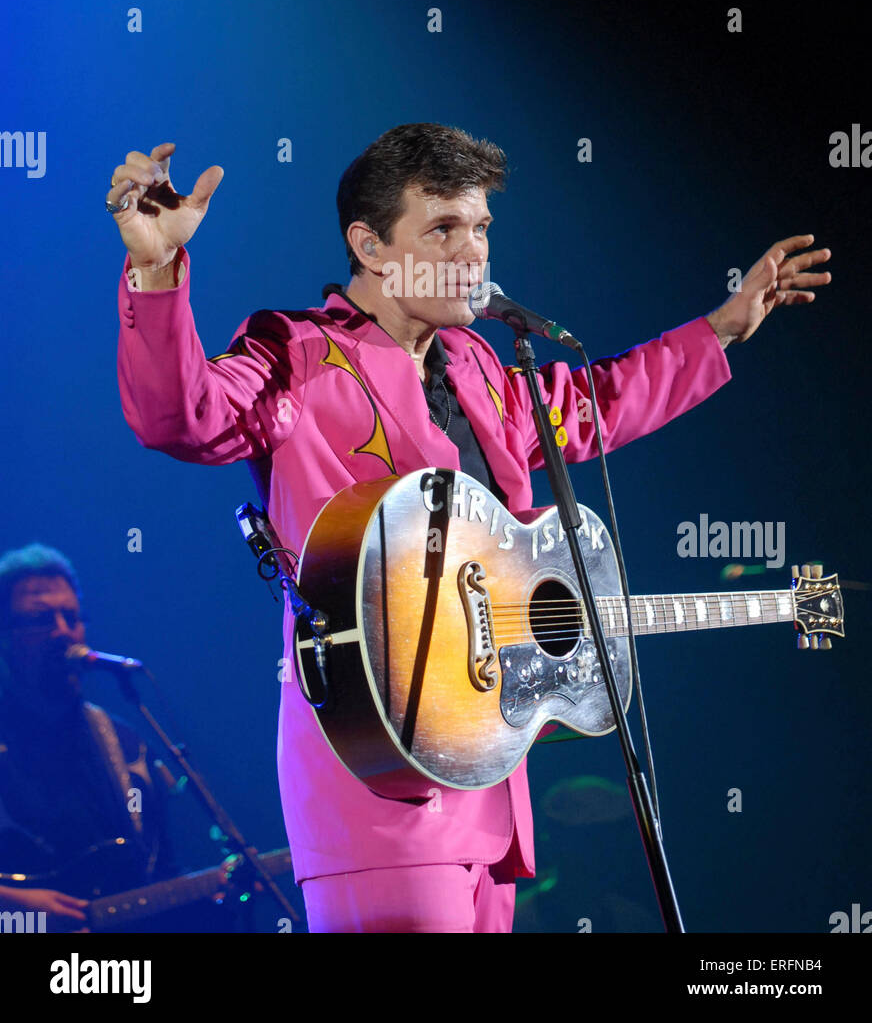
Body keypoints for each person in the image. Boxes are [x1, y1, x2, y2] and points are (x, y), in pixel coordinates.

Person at [107, 123, 831, 933]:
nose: (473, 250)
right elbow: (183, 415)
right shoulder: (298, 354)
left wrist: (723, 327)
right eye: (443, 227)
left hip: (488, 780)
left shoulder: (481, 364)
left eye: (481, 227)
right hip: (377, 773)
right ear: (372, 246)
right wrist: (156, 268)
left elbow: (595, 405)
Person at [0, 545, 174, 932]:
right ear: (5, 637)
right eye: (41, 619)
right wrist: (12, 907)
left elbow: (158, 870)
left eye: (72, 617)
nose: (63, 630)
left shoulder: (125, 745)